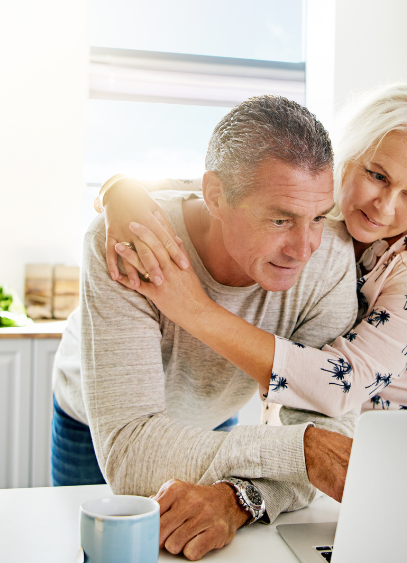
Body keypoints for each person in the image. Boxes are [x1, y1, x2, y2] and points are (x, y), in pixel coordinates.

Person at [50, 95, 358, 561]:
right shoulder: (131, 240)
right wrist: (302, 453)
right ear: (215, 196)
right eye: (280, 219)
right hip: (97, 425)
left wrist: (241, 497)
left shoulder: (331, 261)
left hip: (215, 419)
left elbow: (328, 449)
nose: (304, 247)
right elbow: (130, 452)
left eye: (318, 216)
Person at [103, 84, 407, 417]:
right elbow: (236, 186)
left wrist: (194, 309)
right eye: (377, 176)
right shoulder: (318, 205)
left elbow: (345, 382)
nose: (386, 207)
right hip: (342, 436)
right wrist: (121, 190)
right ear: (346, 157)